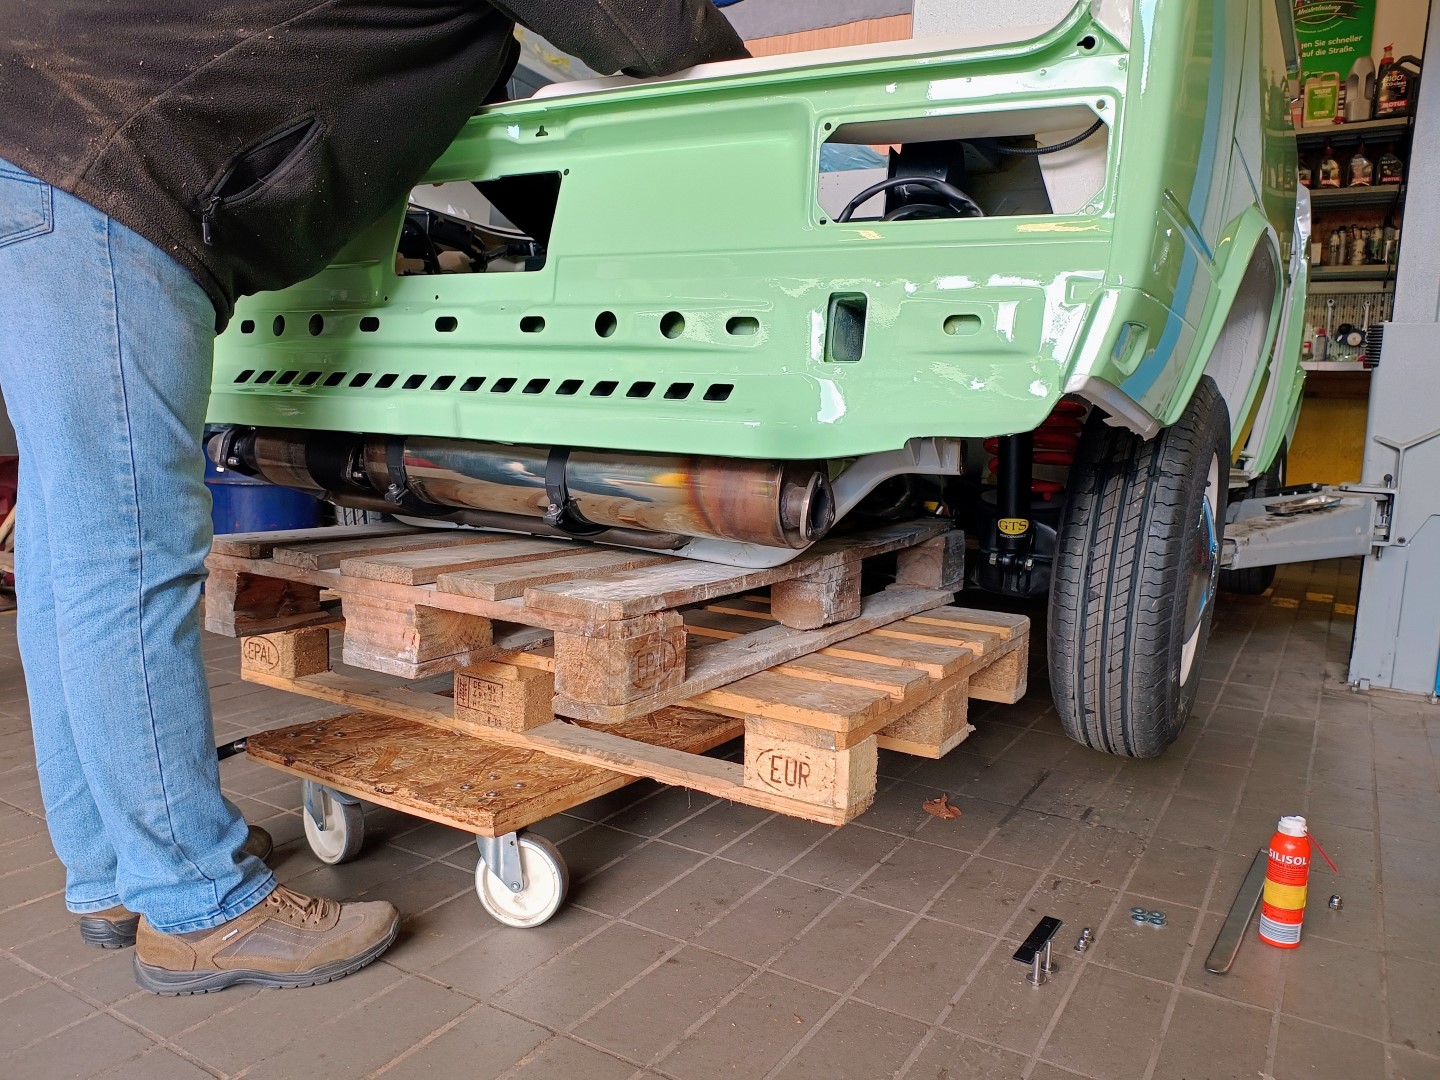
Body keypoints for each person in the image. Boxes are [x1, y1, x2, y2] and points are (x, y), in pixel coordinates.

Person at [0, 0, 746, 995]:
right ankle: (199, 905)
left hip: (43, 152)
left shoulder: (441, 37)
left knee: (71, 548)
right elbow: (652, 31)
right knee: (126, 553)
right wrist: (750, 98)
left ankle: (115, 871)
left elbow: (526, 163)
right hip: (100, 171)